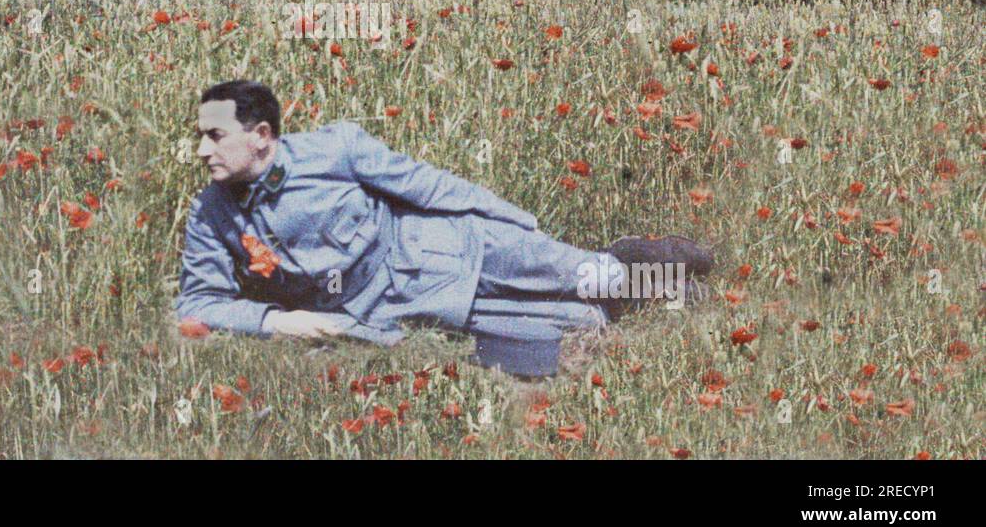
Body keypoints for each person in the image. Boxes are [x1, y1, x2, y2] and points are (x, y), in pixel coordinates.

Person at [175, 79, 715, 376]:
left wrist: (515, 223)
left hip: (444, 243)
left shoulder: (334, 148)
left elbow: (426, 186)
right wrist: (278, 322)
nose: (202, 150)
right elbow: (198, 304)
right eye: (201, 136)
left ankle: (662, 269)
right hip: (395, 306)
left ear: (261, 134)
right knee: (574, 322)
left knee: (590, 273)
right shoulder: (210, 214)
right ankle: (641, 292)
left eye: (214, 136)